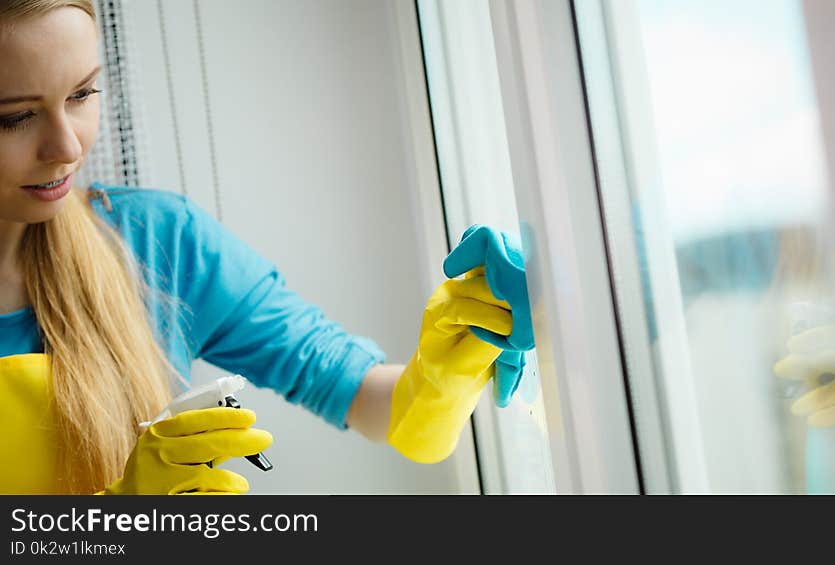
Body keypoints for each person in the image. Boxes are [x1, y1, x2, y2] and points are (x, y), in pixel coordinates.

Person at [0, 0, 533, 494]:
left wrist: (443, 372)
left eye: (82, 94)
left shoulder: (160, 241)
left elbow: (374, 400)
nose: (66, 147)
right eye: (15, 117)